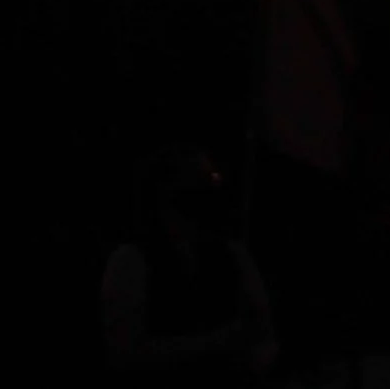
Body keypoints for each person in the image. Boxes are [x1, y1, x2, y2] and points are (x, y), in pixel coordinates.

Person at [99, 147, 279, 384]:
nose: (211, 188)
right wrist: (221, 342)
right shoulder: (131, 260)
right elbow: (124, 355)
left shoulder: (233, 255)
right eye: (199, 181)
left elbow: (261, 332)